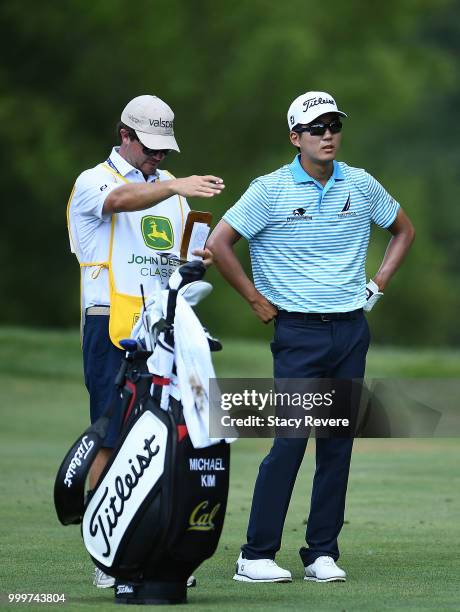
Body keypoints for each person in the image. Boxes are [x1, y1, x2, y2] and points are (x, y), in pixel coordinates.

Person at [207, 91, 415, 583]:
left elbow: (403, 230)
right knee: (291, 440)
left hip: (350, 329)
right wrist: (257, 301)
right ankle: (254, 554)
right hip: (298, 332)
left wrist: (378, 285)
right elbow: (218, 242)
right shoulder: (271, 189)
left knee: (338, 443)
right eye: (316, 128)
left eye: (334, 126)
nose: (328, 135)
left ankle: (321, 552)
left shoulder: (360, 184)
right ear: (295, 137)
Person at [67, 94, 224, 588]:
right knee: (111, 438)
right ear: (125, 135)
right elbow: (118, 204)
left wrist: (197, 262)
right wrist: (176, 184)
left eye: (165, 151)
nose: (158, 158)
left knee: (163, 440)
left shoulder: (174, 197)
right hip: (111, 326)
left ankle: (151, 546)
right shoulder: (95, 181)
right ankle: (105, 555)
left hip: (164, 330)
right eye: (151, 147)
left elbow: (174, 261)